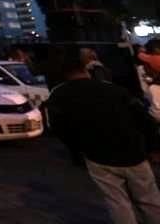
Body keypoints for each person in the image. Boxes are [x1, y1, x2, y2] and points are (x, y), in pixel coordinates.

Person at [46, 51, 160, 224]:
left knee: (117, 202)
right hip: (133, 152)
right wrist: (152, 147)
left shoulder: (58, 95)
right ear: (85, 68)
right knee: (148, 199)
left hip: (98, 155)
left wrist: (77, 151)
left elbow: (60, 129)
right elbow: (144, 119)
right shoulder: (112, 89)